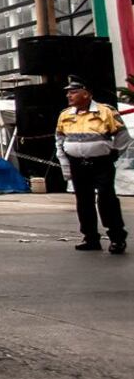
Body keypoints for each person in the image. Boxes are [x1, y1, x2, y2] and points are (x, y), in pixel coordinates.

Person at [55, 75, 130, 254]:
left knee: (107, 199)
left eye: (73, 92)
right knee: (83, 201)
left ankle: (117, 238)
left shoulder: (106, 112)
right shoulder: (65, 115)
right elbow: (59, 141)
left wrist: (114, 153)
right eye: (68, 93)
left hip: (101, 163)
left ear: (86, 94)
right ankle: (90, 237)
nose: (69, 96)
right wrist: (65, 165)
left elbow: (123, 136)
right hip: (77, 164)